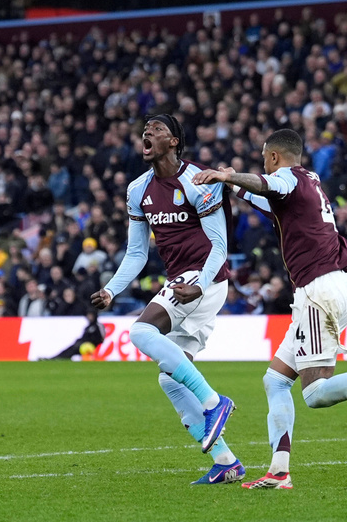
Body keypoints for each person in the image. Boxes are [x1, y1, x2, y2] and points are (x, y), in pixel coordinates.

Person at [193, 129, 347, 490]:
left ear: (275, 157)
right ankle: (279, 471)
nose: (263, 163)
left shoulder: (287, 176)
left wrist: (229, 177)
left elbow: (265, 184)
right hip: (328, 285)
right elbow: (266, 196)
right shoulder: (309, 179)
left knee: (315, 393)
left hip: (318, 290)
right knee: (275, 381)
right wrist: (236, 187)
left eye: (264, 157)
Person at [91, 114, 242, 486]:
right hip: (184, 283)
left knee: (140, 333)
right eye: (146, 129)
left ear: (174, 141)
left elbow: (220, 245)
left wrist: (201, 284)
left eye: (157, 129)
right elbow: (137, 253)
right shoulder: (137, 190)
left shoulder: (198, 181)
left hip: (201, 278)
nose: (148, 133)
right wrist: (112, 289)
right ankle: (226, 462)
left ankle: (214, 402)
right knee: (170, 379)